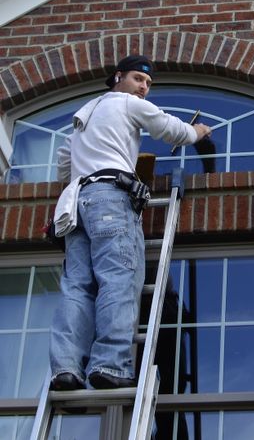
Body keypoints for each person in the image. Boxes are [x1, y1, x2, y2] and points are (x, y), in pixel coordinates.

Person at [49, 55, 211, 391]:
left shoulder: (85, 116)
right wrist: (197, 132)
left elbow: (64, 162)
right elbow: (170, 129)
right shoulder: (125, 103)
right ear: (118, 77)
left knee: (77, 286)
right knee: (119, 278)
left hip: (77, 203)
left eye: (148, 83)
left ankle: (65, 367)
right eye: (139, 78)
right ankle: (110, 365)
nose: (143, 88)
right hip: (111, 198)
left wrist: (86, 174)